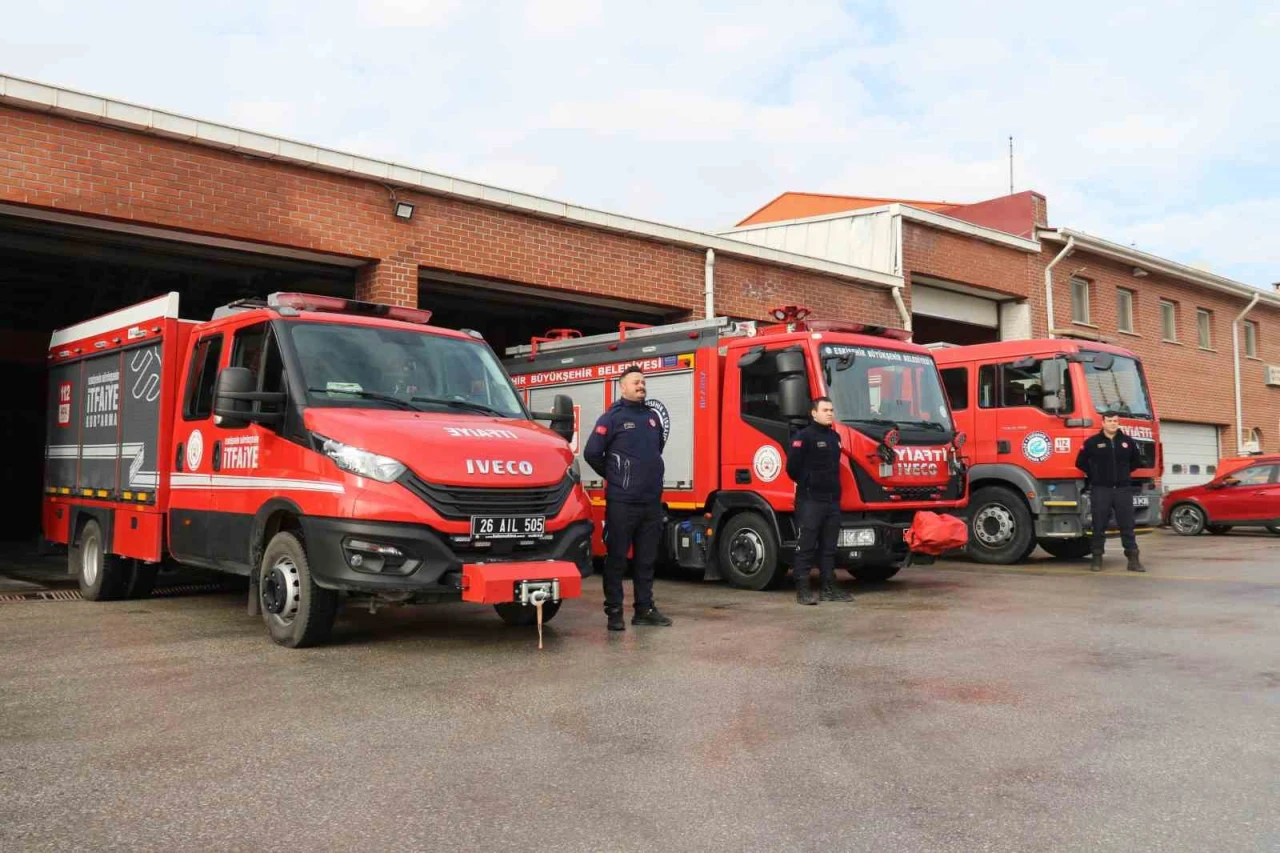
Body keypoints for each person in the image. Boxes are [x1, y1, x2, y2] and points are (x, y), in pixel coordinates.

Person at [583, 365, 673, 631]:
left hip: (650, 503)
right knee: (617, 559)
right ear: (622, 387)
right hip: (623, 503)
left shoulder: (653, 418)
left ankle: (644, 609)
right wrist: (615, 475)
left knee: (646, 560)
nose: (641, 385)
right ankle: (614, 613)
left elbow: (656, 451)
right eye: (635, 382)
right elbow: (591, 453)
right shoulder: (611, 418)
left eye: (643, 382)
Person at [785, 397, 855, 605]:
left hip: (832, 501)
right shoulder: (804, 437)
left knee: (829, 548)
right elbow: (792, 468)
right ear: (814, 413)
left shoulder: (834, 437)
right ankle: (803, 590)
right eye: (825, 410)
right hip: (810, 501)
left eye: (832, 410)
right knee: (806, 546)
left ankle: (828, 589)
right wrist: (809, 481)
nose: (830, 413)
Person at [1075, 410, 1146, 572]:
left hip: (1123, 489)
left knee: (1127, 525)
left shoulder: (1127, 442)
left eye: (1115, 421)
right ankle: (1097, 559)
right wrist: (1095, 474)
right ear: (1103, 423)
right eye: (1109, 421)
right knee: (1099, 525)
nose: (1113, 423)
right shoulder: (1092, 442)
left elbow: (1135, 462)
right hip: (1101, 490)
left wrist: (1123, 473)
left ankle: (1133, 560)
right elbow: (1080, 462)